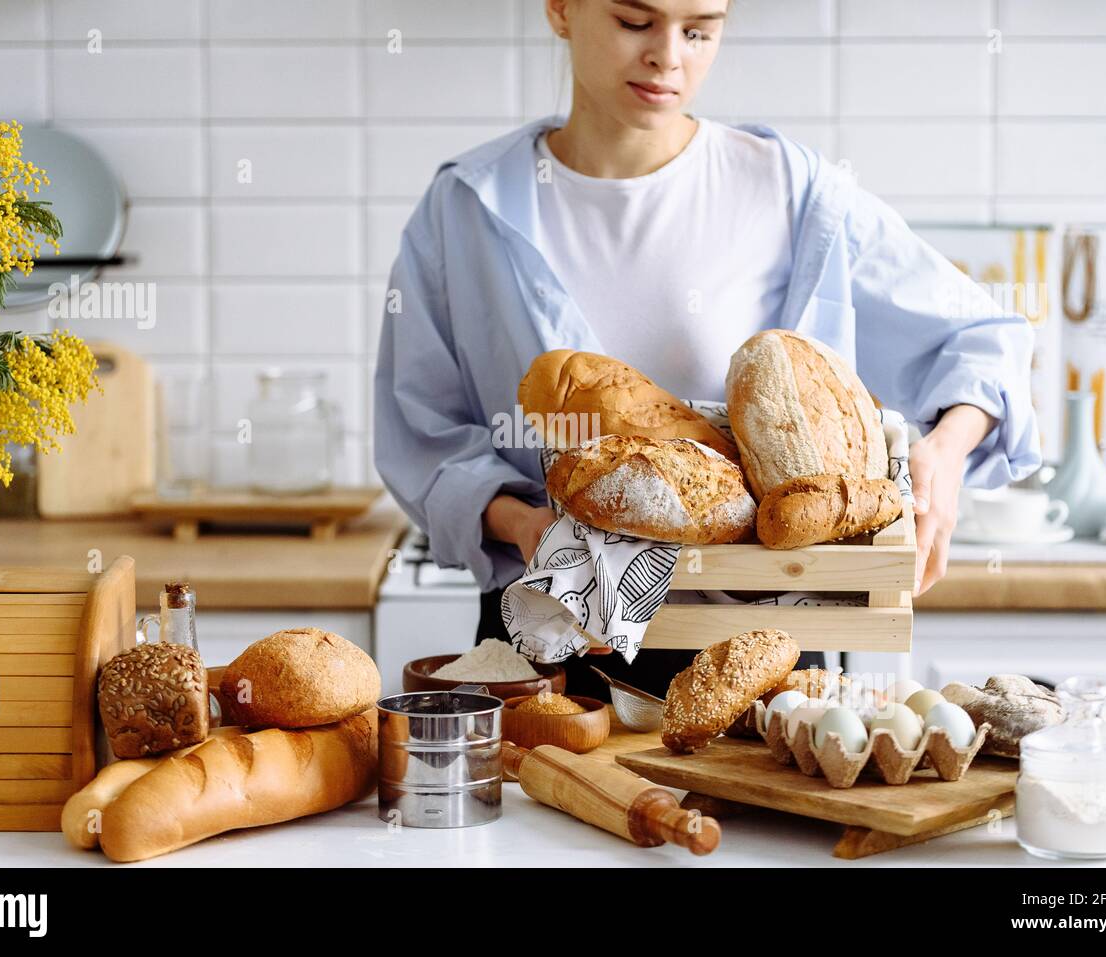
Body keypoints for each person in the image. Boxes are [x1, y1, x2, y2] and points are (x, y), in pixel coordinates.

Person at [373, 0, 1040, 699]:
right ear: (562, 9)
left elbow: (984, 337)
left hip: (763, 655)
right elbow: (423, 434)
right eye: (636, 21)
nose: (669, 56)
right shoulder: (468, 206)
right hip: (550, 647)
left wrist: (944, 456)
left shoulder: (787, 191)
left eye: (700, 30)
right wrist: (522, 523)